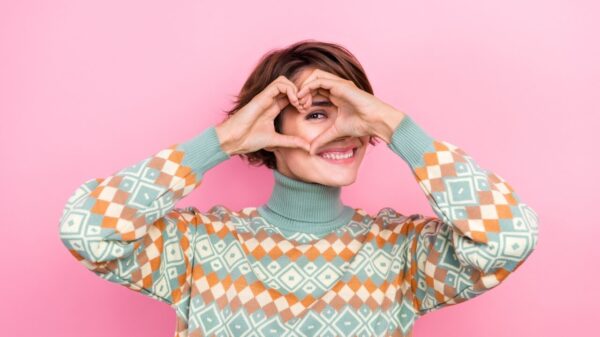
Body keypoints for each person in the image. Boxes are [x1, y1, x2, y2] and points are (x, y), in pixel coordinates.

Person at [58, 40, 539, 337]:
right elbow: (86, 230)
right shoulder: (199, 245)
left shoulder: (401, 252)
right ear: (267, 127)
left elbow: (508, 239)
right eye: (316, 114)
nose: (345, 132)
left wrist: (397, 129)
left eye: (355, 114)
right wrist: (220, 142)